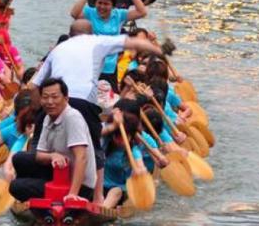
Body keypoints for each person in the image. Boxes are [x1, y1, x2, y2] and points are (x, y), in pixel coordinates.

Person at [31, 19, 164, 203]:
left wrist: (39, 112)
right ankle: (97, 198)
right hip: (84, 101)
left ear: (70, 35)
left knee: (43, 146)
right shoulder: (97, 42)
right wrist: (160, 50)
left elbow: (33, 85)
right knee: (94, 148)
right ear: (91, 34)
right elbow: (135, 43)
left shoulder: (57, 49)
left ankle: (43, 190)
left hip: (54, 101)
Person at [10, 78, 97, 202]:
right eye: (45, 97)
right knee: (19, 159)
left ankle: (52, 198)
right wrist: (52, 156)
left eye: (55, 97)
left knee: (16, 187)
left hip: (78, 185)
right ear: (40, 100)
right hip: (58, 174)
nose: (50, 102)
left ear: (66, 99)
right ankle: (32, 195)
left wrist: (73, 194)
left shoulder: (72, 117)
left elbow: (81, 157)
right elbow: (39, 155)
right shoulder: (47, 118)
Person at [71, 0, 147, 89]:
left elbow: (142, 12)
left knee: (110, 99)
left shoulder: (119, 15)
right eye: (99, 3)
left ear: (113, 5)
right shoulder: (90, 12)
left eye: (106, 4)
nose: (102, 7)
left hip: (110, 67)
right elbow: (74, 14)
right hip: (91, 65)